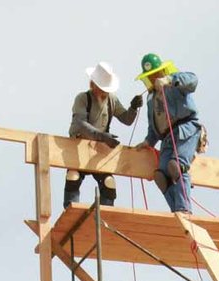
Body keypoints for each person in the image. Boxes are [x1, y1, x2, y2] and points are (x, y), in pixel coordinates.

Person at [64, 61, 143, 210]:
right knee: (73, 176)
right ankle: (71, 211)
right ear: (93, 85)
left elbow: (126, 119)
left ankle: (106, 214)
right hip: (78, 146)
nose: (104, 92)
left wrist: (133, 108)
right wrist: (102, 136)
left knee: (109, 182)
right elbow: (80, 123)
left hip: (99, 151)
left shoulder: (111, 100)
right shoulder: (82, 98)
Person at [133, 53, 203, 213]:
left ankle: (184, 208)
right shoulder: (152, 98)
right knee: (161, 176)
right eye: (149, 76)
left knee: (176, 166)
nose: (153, 78)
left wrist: (170, 80)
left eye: (155, 74)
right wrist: (148, 141)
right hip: (167, 138)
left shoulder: (175, 82)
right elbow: (154, 125)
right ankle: (176, 210)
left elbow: (193, 80)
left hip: (186, 129)